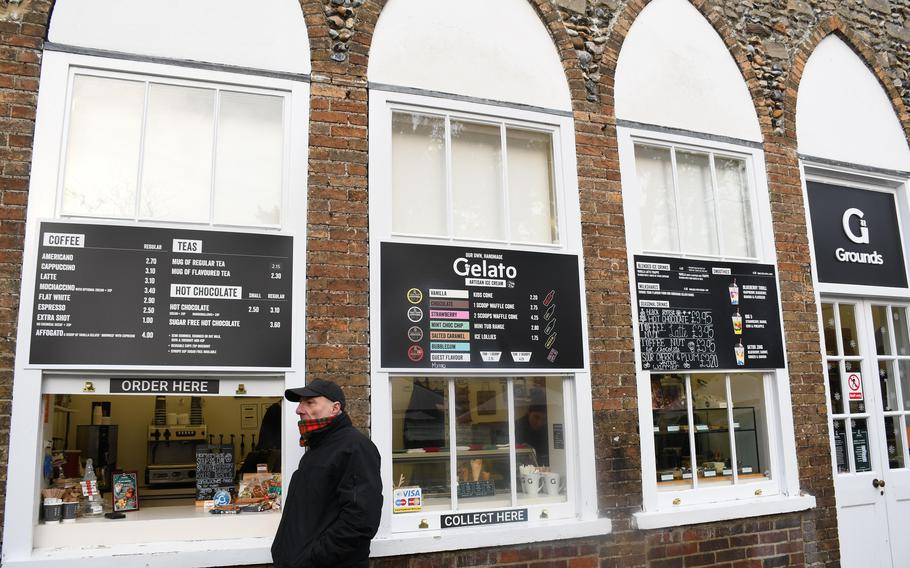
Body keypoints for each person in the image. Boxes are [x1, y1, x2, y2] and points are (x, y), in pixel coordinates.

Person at [271, 379, 383, 568]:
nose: (299, 409)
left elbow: (360, 521)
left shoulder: (355, 447)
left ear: (335, 408)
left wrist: (312, 559)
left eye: (309, 402)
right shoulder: (316, 448)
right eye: (300, 403)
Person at [515, 389, 549, 466]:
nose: (539, 422)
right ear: (528, 413)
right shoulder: (516, 427)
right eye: (536, 417)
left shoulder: (548, 429)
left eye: (544, 419)